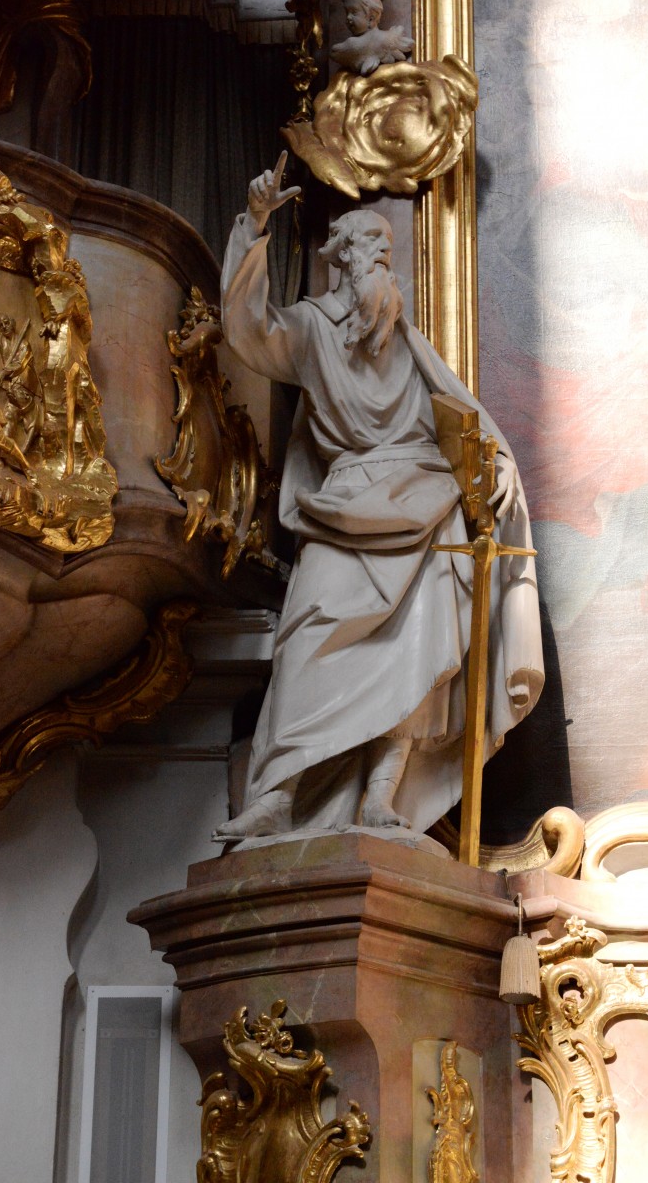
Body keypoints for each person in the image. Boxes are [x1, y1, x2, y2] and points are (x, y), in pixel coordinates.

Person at [214, 153, 544, 843]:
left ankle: (378, 794)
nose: (382, 260)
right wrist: (254, 226)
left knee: (412, 654)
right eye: (371, 246)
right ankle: (277, 795)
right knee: (308, 640)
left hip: (422, 510)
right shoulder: (309, 331)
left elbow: (466, 418)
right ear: (341, 259)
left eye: (388, 250)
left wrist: (502, 467)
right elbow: (247, 331)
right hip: (344, 512)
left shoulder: (406, 339)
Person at [330, 0, 414, 76]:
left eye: (354, 12)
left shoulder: (385, 39)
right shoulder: (349, 45)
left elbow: (335, 53)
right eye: (347, 12)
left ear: (371, 17)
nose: (348, 17)